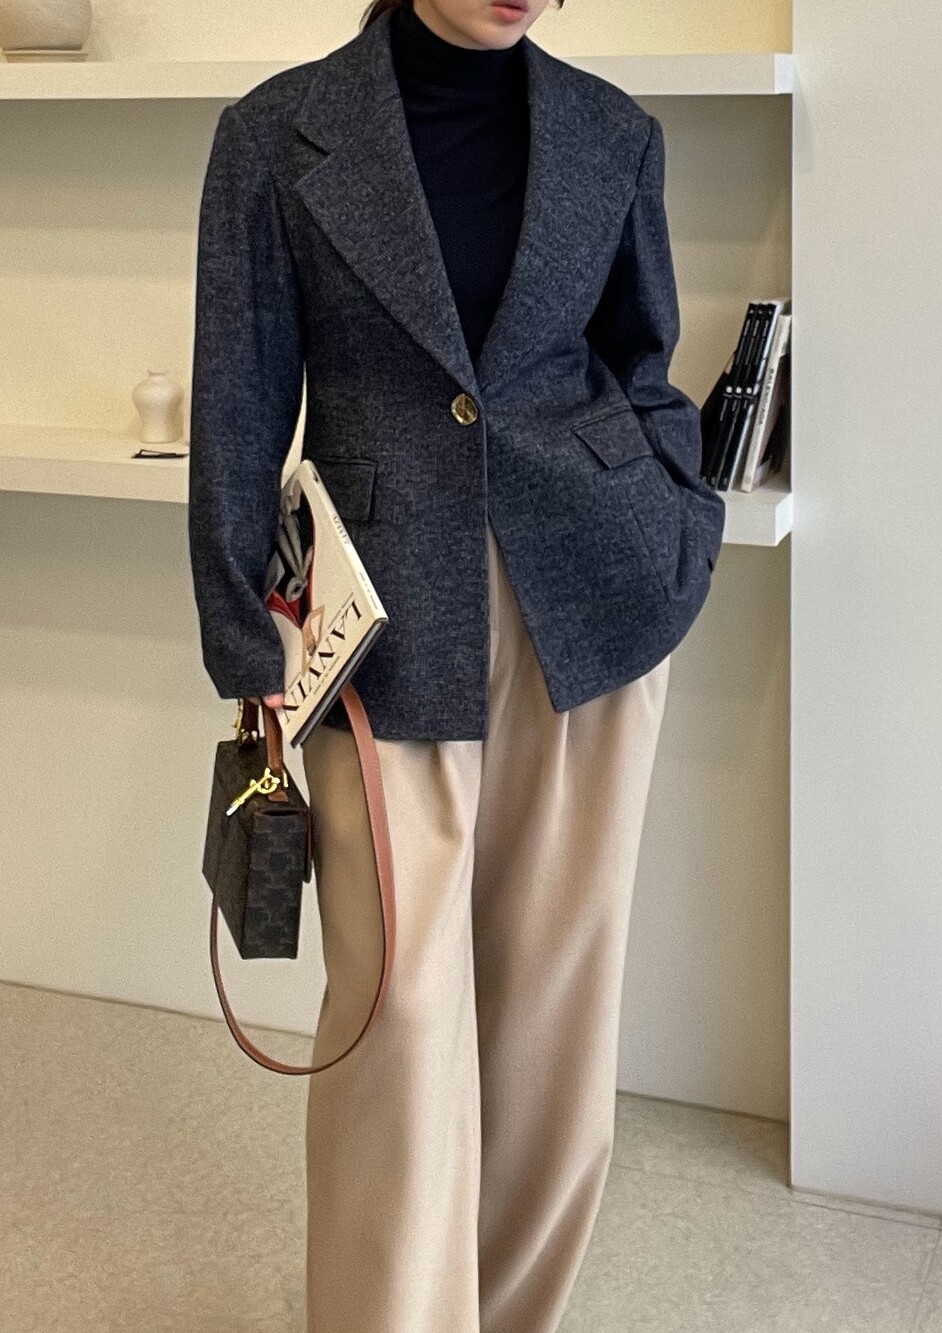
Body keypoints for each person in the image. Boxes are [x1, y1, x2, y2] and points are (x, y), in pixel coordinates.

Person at [187, 0, 726, 1329]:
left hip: (586, 609)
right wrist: (244, 635)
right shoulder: (276, 135)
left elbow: (641, 366)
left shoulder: (613, 133)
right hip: (381, 623)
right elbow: (239, 403)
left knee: (552, 1021)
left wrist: (675, 512)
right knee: (401, 1015)